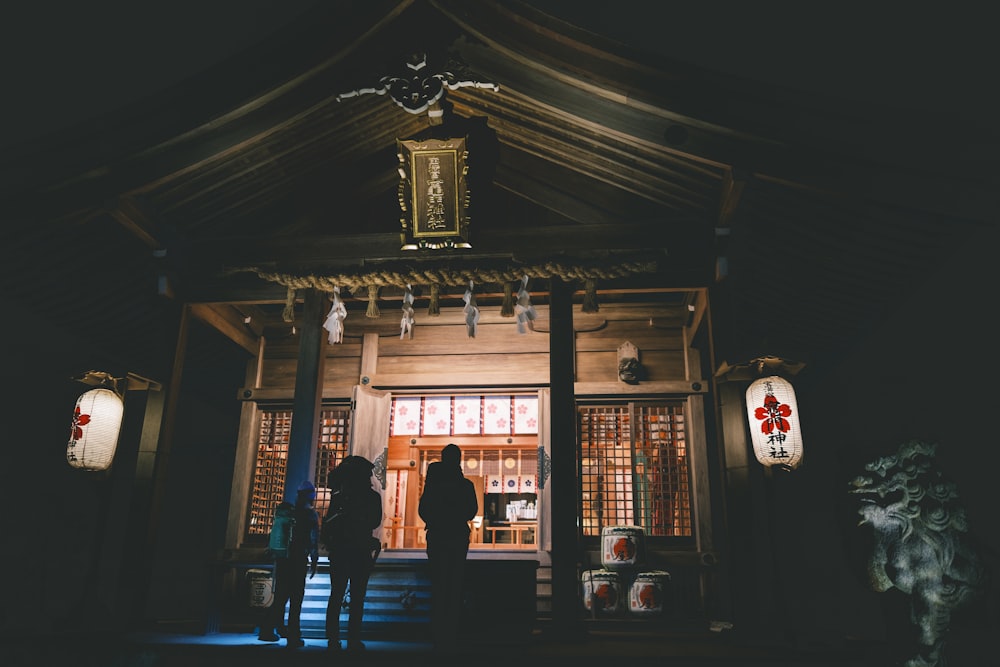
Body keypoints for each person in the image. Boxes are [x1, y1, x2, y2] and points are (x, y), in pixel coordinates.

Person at [418, 443, 479, 654]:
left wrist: (437, 520)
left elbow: (423, 509)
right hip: (457, 536)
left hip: (437, 535)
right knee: (454, 583)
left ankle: (437, 632)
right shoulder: (465, 485)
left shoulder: (433, 483)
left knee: (438, 584)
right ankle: (452, 631)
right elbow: (471, 510)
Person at [321, 455, 383, 653]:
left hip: (340, 550)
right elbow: (375, 522)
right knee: (357, 597)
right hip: (361, 549)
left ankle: (332, 638)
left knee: (336, 594)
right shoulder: (372, 497)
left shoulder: (340, 495)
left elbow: (330, 520)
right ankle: (353, 638)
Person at [260, 479, 319, 649]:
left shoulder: (290, 512)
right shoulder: (310, 514)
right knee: (296, 598)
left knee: (281, 597)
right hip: (299, 560)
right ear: (311, 496)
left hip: (284, 559)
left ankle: (267, 629)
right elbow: (313, 540)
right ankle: (293, 635)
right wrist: (314, 561)